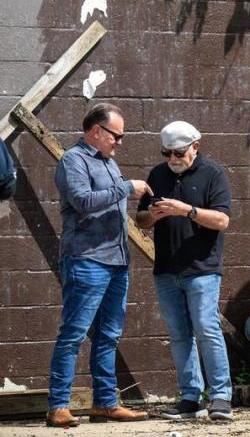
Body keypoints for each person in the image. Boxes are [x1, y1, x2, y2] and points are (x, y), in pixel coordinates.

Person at [47, 103, 153, 428]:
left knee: (108, 335)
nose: (119, 142)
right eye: (116, 135)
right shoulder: (73, 161)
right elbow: (82, 201)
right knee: (74, 334)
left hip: (117, 261)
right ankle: (57, 407)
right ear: (97, 131)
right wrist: (126, 187)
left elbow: (112, 210)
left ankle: (105, 403)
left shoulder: (110, 163)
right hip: (87, 259)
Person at [135, 121, 234, 421]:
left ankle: (221, 397)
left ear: (195, 146)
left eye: (178, 153)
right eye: (167, 153)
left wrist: (186, 210)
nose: (172, 160)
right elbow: (139, 221)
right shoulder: (157, 174)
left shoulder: (213, 174)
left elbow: (222, 220)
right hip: (166, 268)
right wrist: (151, 215)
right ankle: (191, 397)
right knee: (179, 334)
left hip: (202, 267)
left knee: (206, 329)